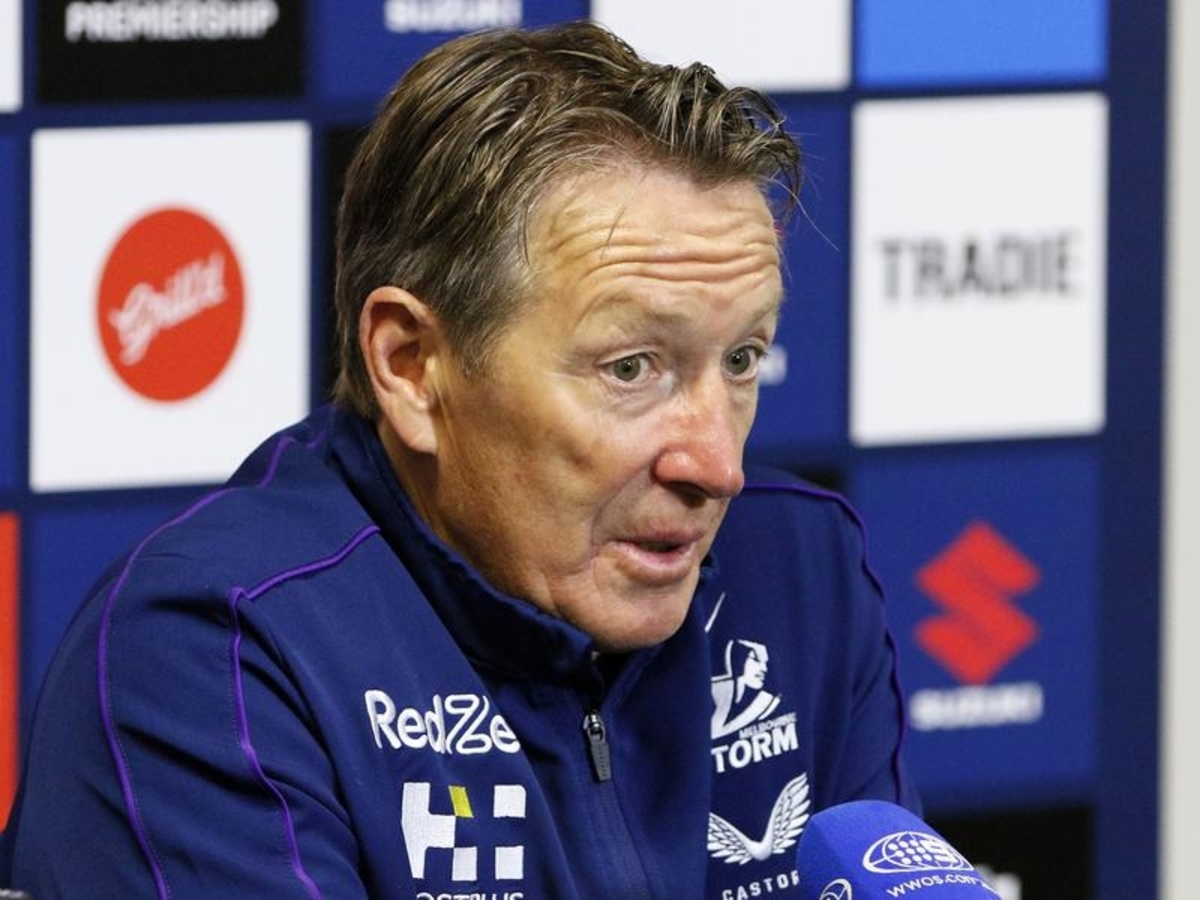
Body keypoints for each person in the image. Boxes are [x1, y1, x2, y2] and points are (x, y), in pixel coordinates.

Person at [1, 21, 918, 898]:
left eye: (743, 359)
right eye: (631, 368)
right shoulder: (215, 652)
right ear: (411, 366)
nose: (717, 466)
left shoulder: (800, 571)